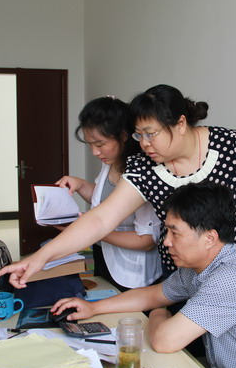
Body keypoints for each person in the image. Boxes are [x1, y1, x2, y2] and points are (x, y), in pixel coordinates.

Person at [0, 84, 236, 288]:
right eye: (139, 135)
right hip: (181, 278)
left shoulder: (231, 145)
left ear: (180, 124)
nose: (144, 144)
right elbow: (102, 217)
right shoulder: (144, 165)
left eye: (150, 134)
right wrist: (39, 258)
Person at [51, 182, 236, 368]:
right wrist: (93, 307)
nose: (167, 242)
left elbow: (164, 340)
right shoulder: (200, 266)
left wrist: (158, 313)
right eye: (167, 231)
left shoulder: (232, 278)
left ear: (210, 238)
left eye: (175, 233)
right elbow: (153, 294)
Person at [55, 96, 162, 291]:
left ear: (123, 135)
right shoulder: (111, 162)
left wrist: (93, 231)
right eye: (90, 144)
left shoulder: (142, 173)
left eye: (100, 144)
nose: (94, 152)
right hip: (104, 257)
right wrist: (79, 185)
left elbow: (147, 240)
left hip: (133, 271)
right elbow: (107, 202)